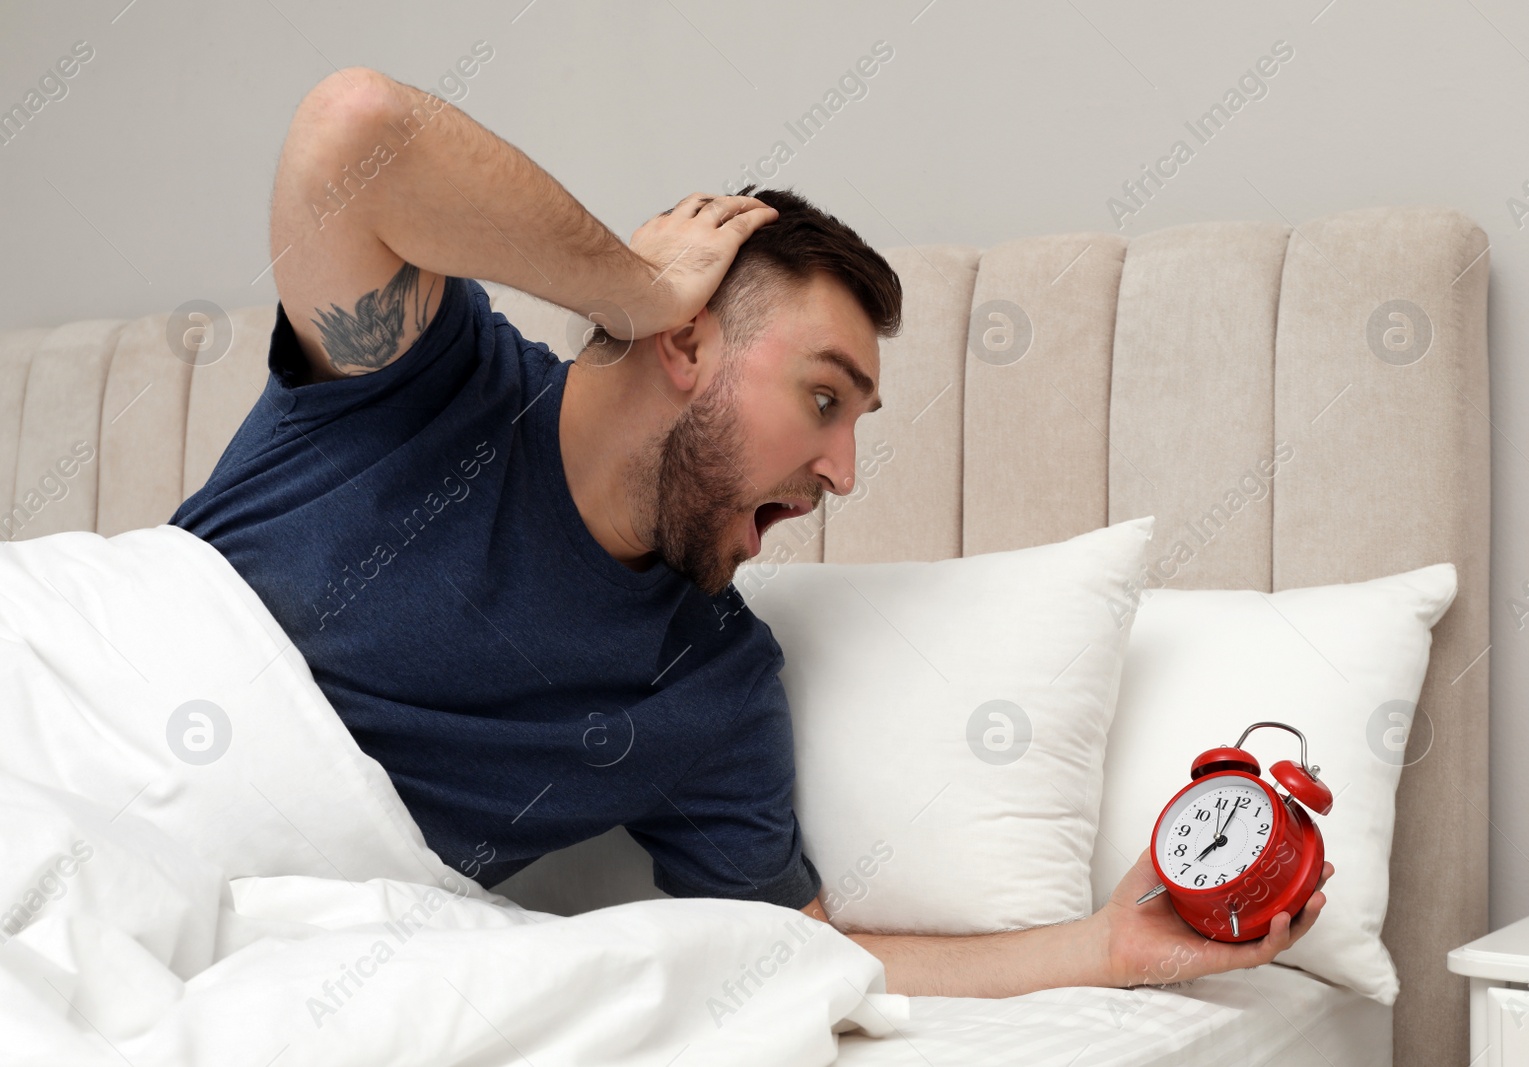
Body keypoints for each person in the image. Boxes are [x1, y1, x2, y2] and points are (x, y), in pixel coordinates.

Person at [171, 65, 1330, 999]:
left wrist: (1104, 948)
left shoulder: (705, 686)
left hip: (263, 931)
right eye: (825, 399)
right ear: (682, 343)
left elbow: (803, 948)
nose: (843, 468)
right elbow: (352, 128)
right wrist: (635, 288)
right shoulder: (427, 376)